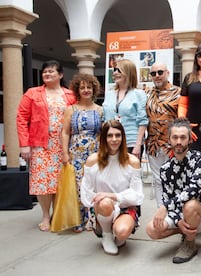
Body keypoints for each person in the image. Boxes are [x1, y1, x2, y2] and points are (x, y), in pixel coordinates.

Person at [16, 60, 76, 232]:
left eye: (51, 71)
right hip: (40, 145)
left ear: (61, 75)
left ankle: (58, 214)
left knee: (60, 180)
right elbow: (21, 118)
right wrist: (24, 145)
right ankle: (45, 215)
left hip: (64, 145)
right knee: (42, 182)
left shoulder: (70, 95)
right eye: (45, 72)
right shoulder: (32, 93)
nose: (47, 74)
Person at [146, 118, 201, 264]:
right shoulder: (165, 169)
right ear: (169, 139)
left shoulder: (200, 159)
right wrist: (177, 220)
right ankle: (184, 230)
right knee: (152, 229)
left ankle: (190, 243)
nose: (179, 141)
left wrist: (165, 207)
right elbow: (168, 196)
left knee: (190, 204)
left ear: (190, 139)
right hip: (180, 214)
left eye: (183, 137)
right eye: (175, 137)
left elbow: (193, 190)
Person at [80, 120, 144, 255]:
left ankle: (117, 231)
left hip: (125, 205)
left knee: (121, 232)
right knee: (105, 203)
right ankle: (107, 234)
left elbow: (137, 196)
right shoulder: (93, 161)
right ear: (104, 138)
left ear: (123, 137)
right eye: (110, 136)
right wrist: (103, 201)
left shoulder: (133, 161)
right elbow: (86, 194)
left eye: (118, 135)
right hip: (101, 207)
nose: (114, 139)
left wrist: (113, 196)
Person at [62, 73, 103, 232]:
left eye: (89, 87)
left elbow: (102, 133)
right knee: (78, 186)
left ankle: (92, 219)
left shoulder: (100, 110)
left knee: (94, 185)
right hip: (76, 153)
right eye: (82, 87)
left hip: (95, 152)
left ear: (94, 89)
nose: (86, 90)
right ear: (77, 90)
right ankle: (79, 219)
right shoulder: (70, 109)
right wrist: (65, 153)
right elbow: (65, 132)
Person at [145, 62, 181, 207]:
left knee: (175, 178)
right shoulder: (148, 94)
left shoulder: (179, 93)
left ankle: (177, 211)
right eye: (153, 73)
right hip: (153, 144)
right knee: (158, 179)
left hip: (173, 144)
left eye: (160, 72)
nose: (157, 76)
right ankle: (162, 210)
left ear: (167, 73)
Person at [102, 58, 148, 159]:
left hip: (131, 142)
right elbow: (105, 119)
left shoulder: (139, 94)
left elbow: (142, 121)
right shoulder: (109, 94)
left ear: (128, 72)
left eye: (119, 70)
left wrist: (138, 145)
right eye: (114, 70)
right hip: (111, 142)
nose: (115, 73)